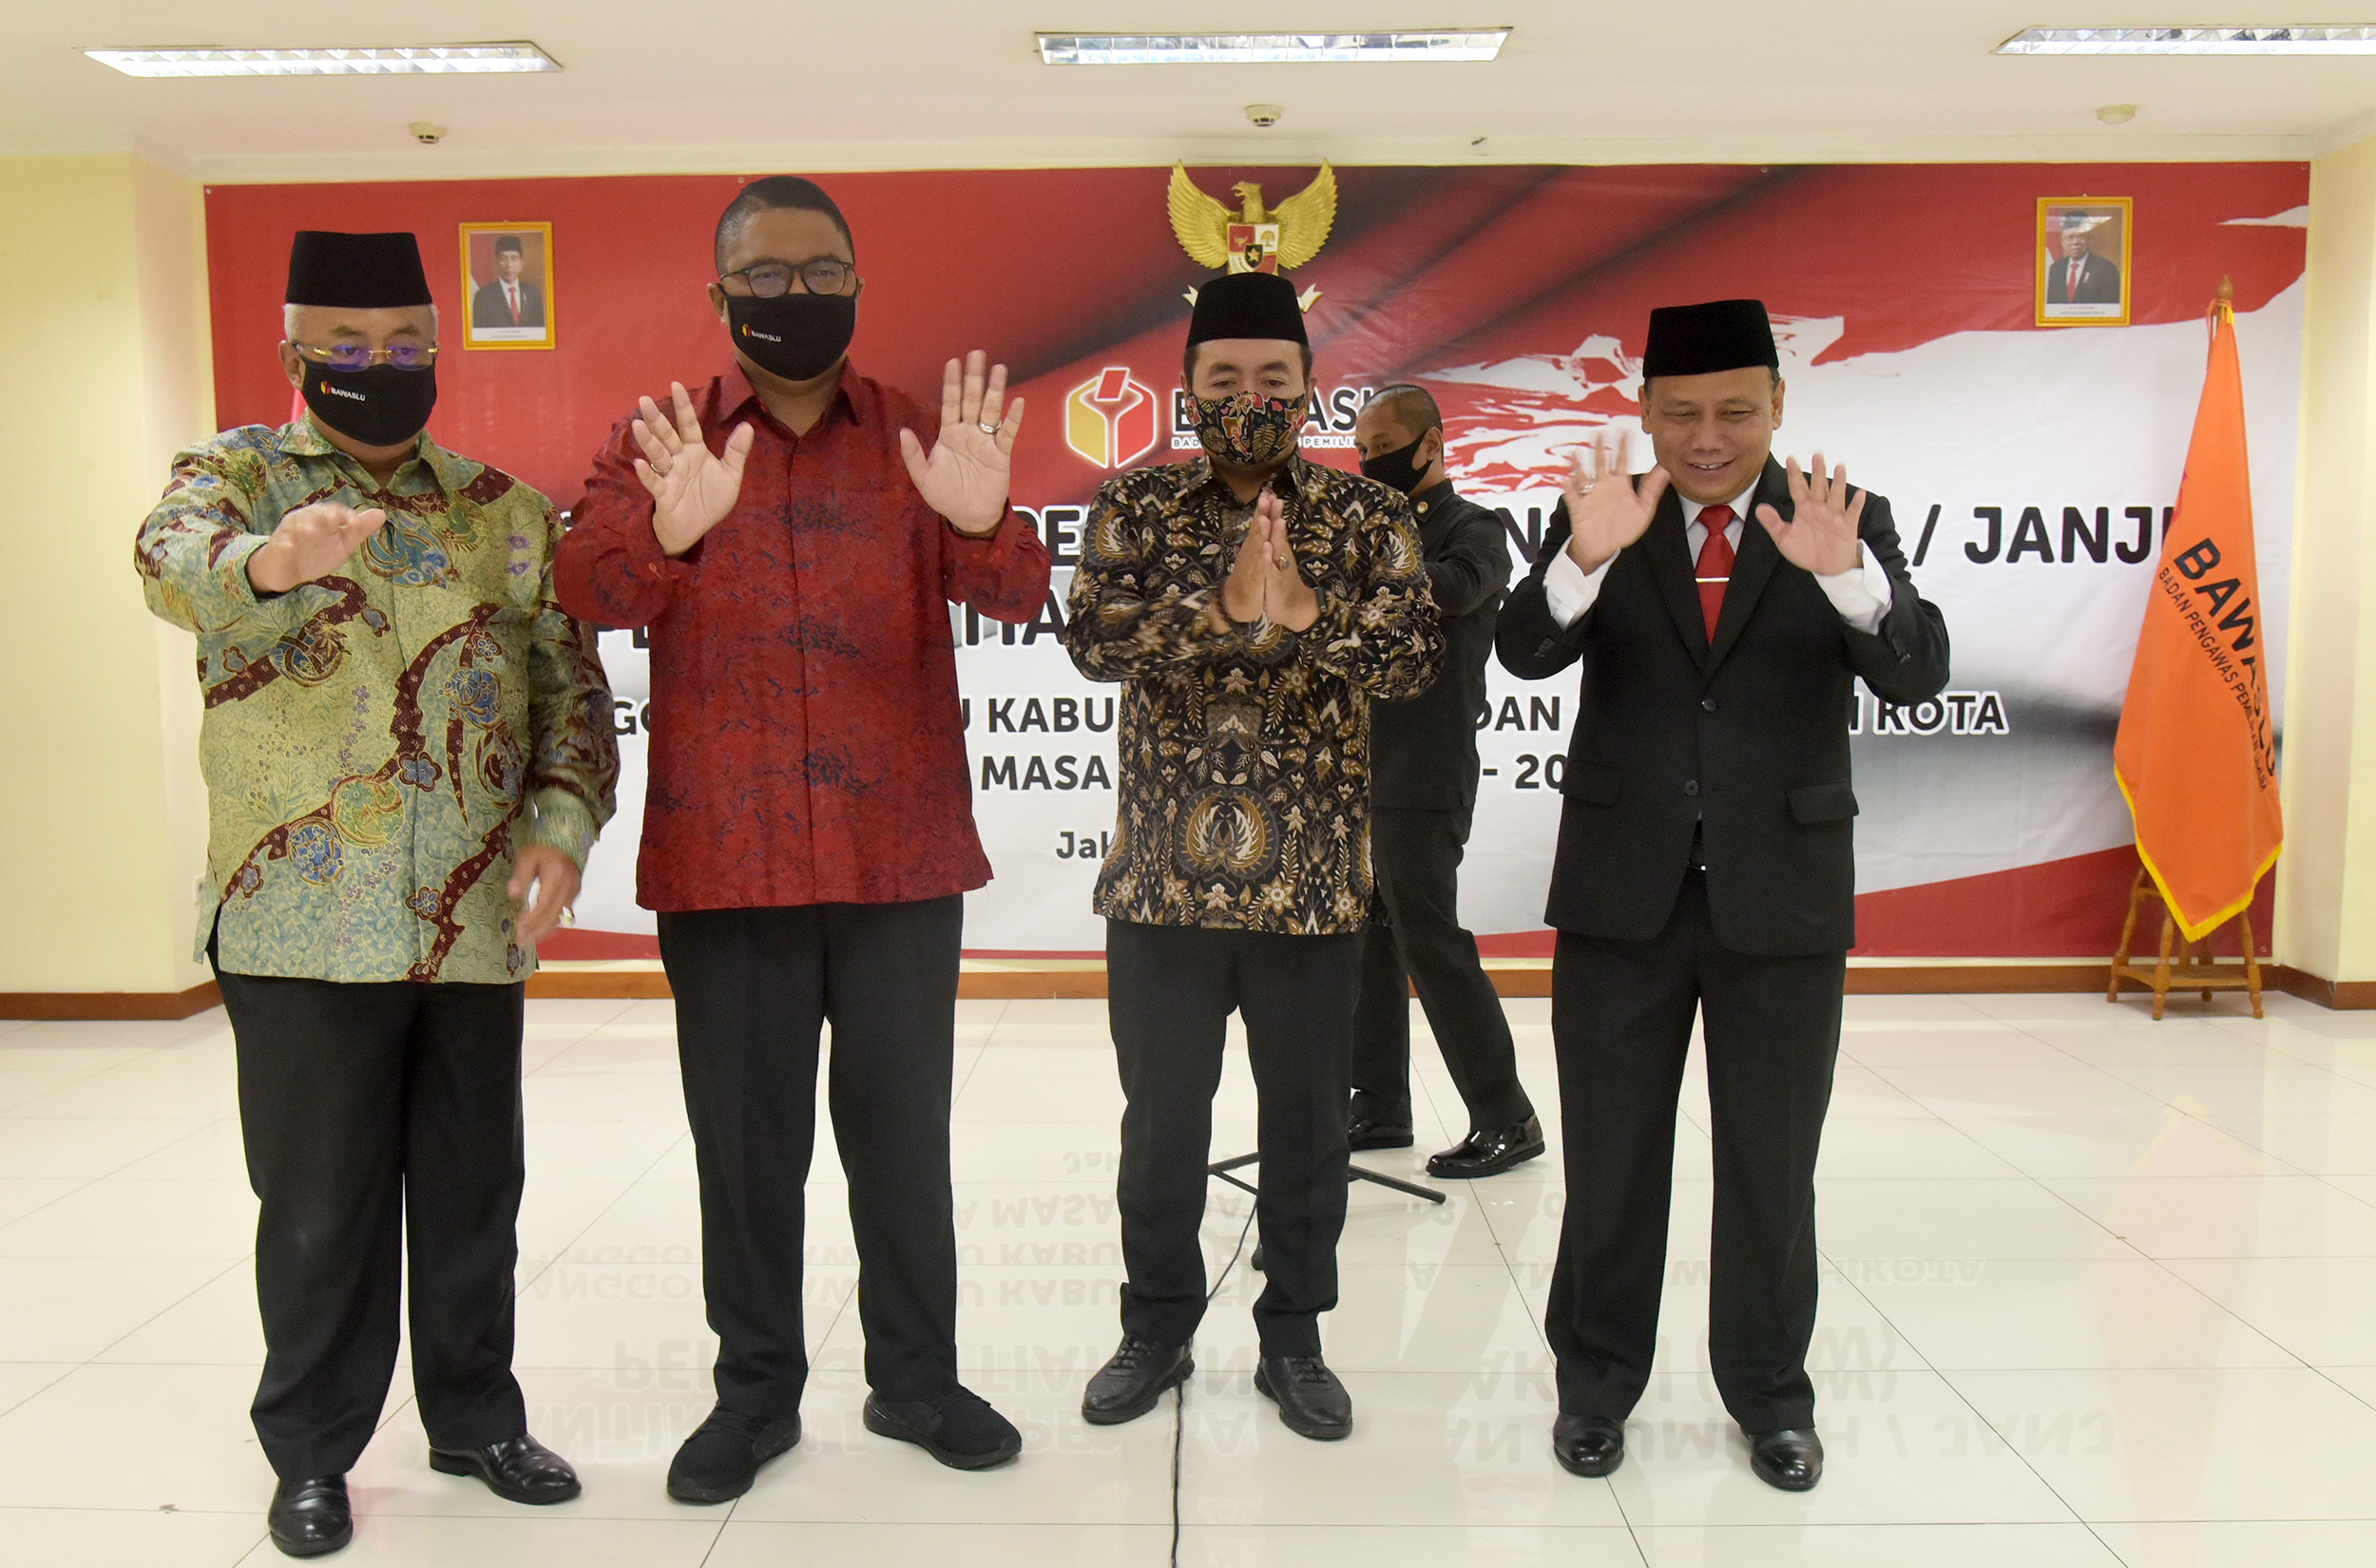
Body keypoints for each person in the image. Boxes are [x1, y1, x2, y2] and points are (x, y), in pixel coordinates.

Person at [553, 176, 1050, 1500]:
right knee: (745, 1150)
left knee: (904, 1143)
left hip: (899, 857)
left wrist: (980, 519)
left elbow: (1017, 590)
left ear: (857, 284)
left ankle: (918, 1380)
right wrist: (668, 539)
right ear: (719, 296)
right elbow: (588, 588)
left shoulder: (915, 434)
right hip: (728, 860)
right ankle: (755, 1395)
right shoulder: (661, 438)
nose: (795, 294)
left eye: (821, 271)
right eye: (765, 276)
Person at [132, 230, 619, 1558]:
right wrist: (272, 564)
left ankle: (474, 1418)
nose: (381, 365)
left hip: (470, 923)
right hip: (299, 922)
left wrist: (561, 824)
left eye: (407, 344)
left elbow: (569, 690)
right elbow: (167, 560)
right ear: (294, 355)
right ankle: (311, 1453)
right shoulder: (235, 477)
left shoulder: (504, 512)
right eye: (348, 346)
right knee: (319, 1211)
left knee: (473, 1194)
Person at [1496, 299, 1949, 1491]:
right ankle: (1595, 1386)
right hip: (1620, 896)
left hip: (1781, 898)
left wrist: (1849, 582)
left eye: (1737, 412)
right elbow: (1521, 652)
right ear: (1644, 410)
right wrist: (1582, 560)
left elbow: (1916, 674)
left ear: (1779, 406)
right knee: (1610, 1161)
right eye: (1684, 413)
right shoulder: (1604, 510)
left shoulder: (1843, 516)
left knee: (1770, 1165)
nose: (1708, 438)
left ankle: (1771, 1397)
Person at [1063, 272, 1443, 1443]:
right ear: (1185, 388)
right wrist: (1219, 610)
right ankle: (1155, 1329)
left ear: (1310, 388)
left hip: (1312, 889)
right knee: (1161, 1130)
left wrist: (1310, 618)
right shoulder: (1134, 507)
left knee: (1308, 1133)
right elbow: (1093, 641)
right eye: (1223, 378)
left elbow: (1412, 657)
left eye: (1273, 378)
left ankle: (1295, 1339)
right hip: (1161, 889)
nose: (1248, 398)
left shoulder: (1368, 518)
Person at [1347, 385, 1540, 1178]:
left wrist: (1361, 568)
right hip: (1358, 766)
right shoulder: (1370, 530)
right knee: (1368, 939)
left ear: (1430, 443)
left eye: (1382, 445)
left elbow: (1453, 589)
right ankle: (1379, 1105)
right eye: (1361, 450)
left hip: (1425, 768)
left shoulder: (1474, 529)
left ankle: (1506, 1115)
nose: (1369, 461)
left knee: (1429, 938)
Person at [470, 235, 545, 329]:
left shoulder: (533, 294)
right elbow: (479, 332)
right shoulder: (483, 296)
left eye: (514, 259)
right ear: (496, 263)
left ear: (521, 263)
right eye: (503, 259)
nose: (509, 265)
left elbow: (540, 329)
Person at [2045, 215, 2120, 306]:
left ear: (2089, 239)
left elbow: (2111, 308)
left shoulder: (2106, 269)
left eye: (2081, 237)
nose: (2075, 242)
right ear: (2062, 240)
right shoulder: (2055, 269)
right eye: (2070, 237)